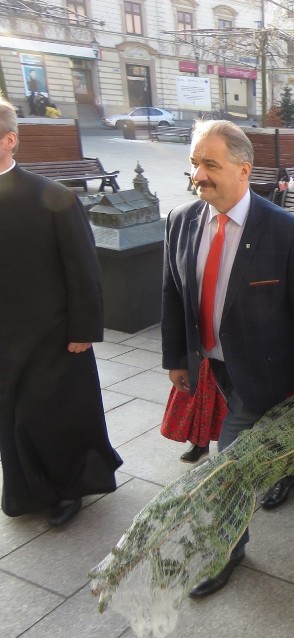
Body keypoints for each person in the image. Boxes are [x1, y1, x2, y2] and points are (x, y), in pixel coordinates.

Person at [161, 119, 294, 598]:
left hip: (266, 368)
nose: (199, 175)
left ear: (244, 169)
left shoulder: (283, 230)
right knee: (266, 439)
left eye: (210, 164)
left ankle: (225, 551)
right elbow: (174, 296)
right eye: (195, 163)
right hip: (214, 366)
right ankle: (293, 470)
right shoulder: (181, 220)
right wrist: (178, 357)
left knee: (229, 465)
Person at [0, 96, 123, 527]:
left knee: (53, 418)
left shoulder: (52, 197)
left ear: (9, 139)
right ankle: (26, 492)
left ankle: (69, 489)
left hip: (52, 336)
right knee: (11, 419)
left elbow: (83, 268)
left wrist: (84, 328)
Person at [160, 357, 226, 463]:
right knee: (201, 399)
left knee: (227, 403)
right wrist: (176, 365)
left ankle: (227, 443)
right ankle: (201, 443)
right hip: (202, 355)